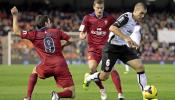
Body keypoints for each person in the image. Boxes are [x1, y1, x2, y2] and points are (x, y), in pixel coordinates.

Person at [84, 2, 149, 99]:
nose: (142, 16)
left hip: (122, 47)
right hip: (111, 48)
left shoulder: (135, 21)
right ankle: (89, 78)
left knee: (140, 67)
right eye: (141, 13)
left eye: (144, 14)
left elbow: (125, 34)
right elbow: (112, 28)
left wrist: (131, 41)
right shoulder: (127, 16)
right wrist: (126, 38)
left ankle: (146, 95)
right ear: (135, 11)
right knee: (104, 77)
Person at [11, 6, 75, 100]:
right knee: (71, 92)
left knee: (34, 71)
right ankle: (57, 95)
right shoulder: (57, 32)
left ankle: (28, 97)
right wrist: (63, 46)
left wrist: (15, 15)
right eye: (49, 21)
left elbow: (16, 31)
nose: (50, 23)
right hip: (61, 65)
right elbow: (71, 40)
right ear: (46, 23)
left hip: (47, 66)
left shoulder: (34, 34)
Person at [79, 0, 124, 100]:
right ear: (94, 7)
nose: (100, 10)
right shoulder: (87, 18)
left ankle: (120, 94)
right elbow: (81, 33)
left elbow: (118, 28)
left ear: (103, 7)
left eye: (101, 8)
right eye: (98, 8)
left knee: (112, 70)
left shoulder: (110, 18)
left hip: (106, 49)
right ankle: (102, 89)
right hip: (93, 49)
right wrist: (83, 35)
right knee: (92, 69)